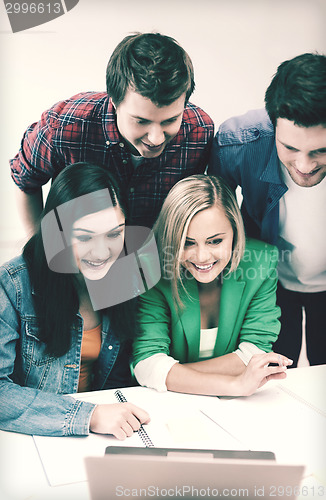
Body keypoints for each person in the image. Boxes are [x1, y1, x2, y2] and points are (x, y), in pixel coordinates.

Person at [10, 32, 214, 235]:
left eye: (170, 120)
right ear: (114, 102)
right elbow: (25, 182)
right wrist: (37, 245)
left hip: (154, 253)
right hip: (75, 253)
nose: (156, 138)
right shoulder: (62, 126)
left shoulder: (200, 133)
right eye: (141, 121)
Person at [0, 162, 150, 437]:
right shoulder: (11, 284)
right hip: (35, 437)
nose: (103, 252)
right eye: (84, 237)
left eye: (115, 234)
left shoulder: (127, 276)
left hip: (102, 434)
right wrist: (88, 416)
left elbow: (118, 377)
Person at [208, 53, 326, 367]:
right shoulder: (238, 143)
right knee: (271, 375)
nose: (304, 166)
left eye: (320, 151)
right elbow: (212, 216)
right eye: (290, 148)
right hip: (267, 281)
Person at [133, 175, 293, 397]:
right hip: (168, 403)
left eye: (215, 241)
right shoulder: (151, 269)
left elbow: (255, 353)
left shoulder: (262, 261)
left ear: (235, 232)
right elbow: (146, 362)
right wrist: (235, 385)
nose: (202, 257)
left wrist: (168, 374)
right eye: (187, 243)